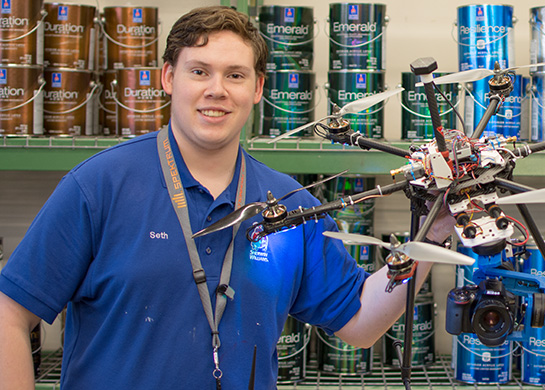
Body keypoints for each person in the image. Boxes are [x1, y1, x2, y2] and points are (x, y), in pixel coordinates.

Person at [0, 6, 452, 389]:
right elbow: (10, 314)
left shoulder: (291, 203)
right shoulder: (100, 185)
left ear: (256, 89)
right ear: (168, 78)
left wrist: (432, 233)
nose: (217, 90)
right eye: (200, 72)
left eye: (235, 75)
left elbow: (361, 322)